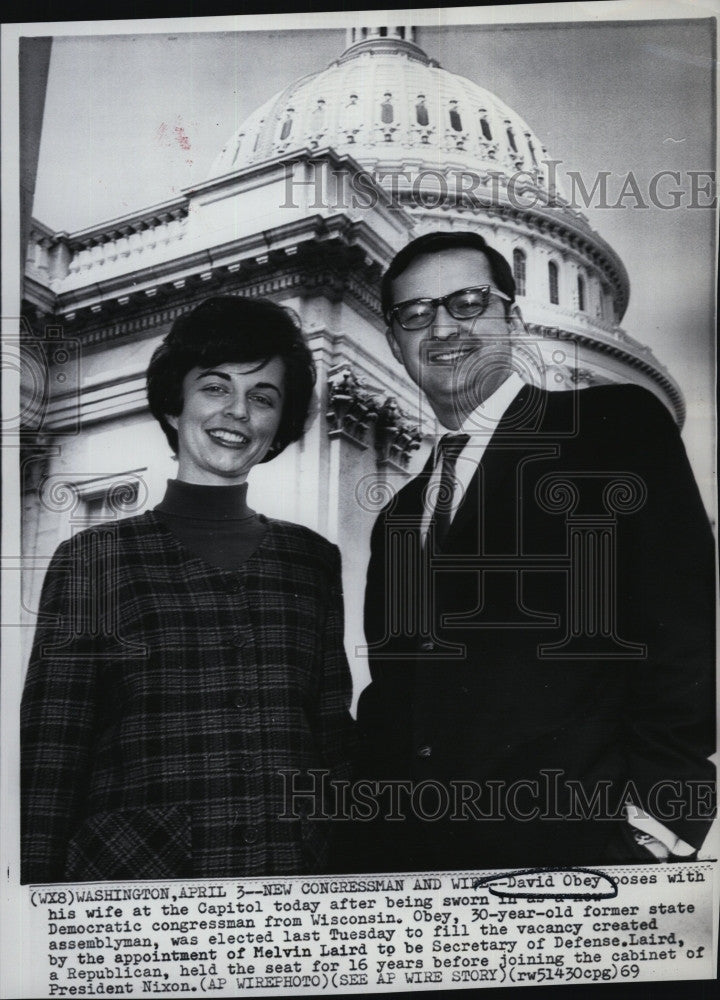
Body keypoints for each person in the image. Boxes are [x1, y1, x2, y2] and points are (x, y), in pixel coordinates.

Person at [357, 231, 715, 871]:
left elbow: (683, 631)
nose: (442, 327)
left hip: (585, 860)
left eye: (468, 302)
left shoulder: (612, 429)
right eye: (415, 314)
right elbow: (393, 699)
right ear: (395, 343)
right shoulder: (400, 517)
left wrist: (654, 831)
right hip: (428, 873)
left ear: (513, 320)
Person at [21, 295, 355, 883]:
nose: (238, 412)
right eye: (215, 386)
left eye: (262, 397)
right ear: (176, 403)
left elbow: (331, 740)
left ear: (278, 423)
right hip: (136, 890)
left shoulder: (312, 562)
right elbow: (50, 758)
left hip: (293, 882)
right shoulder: (92, 559)